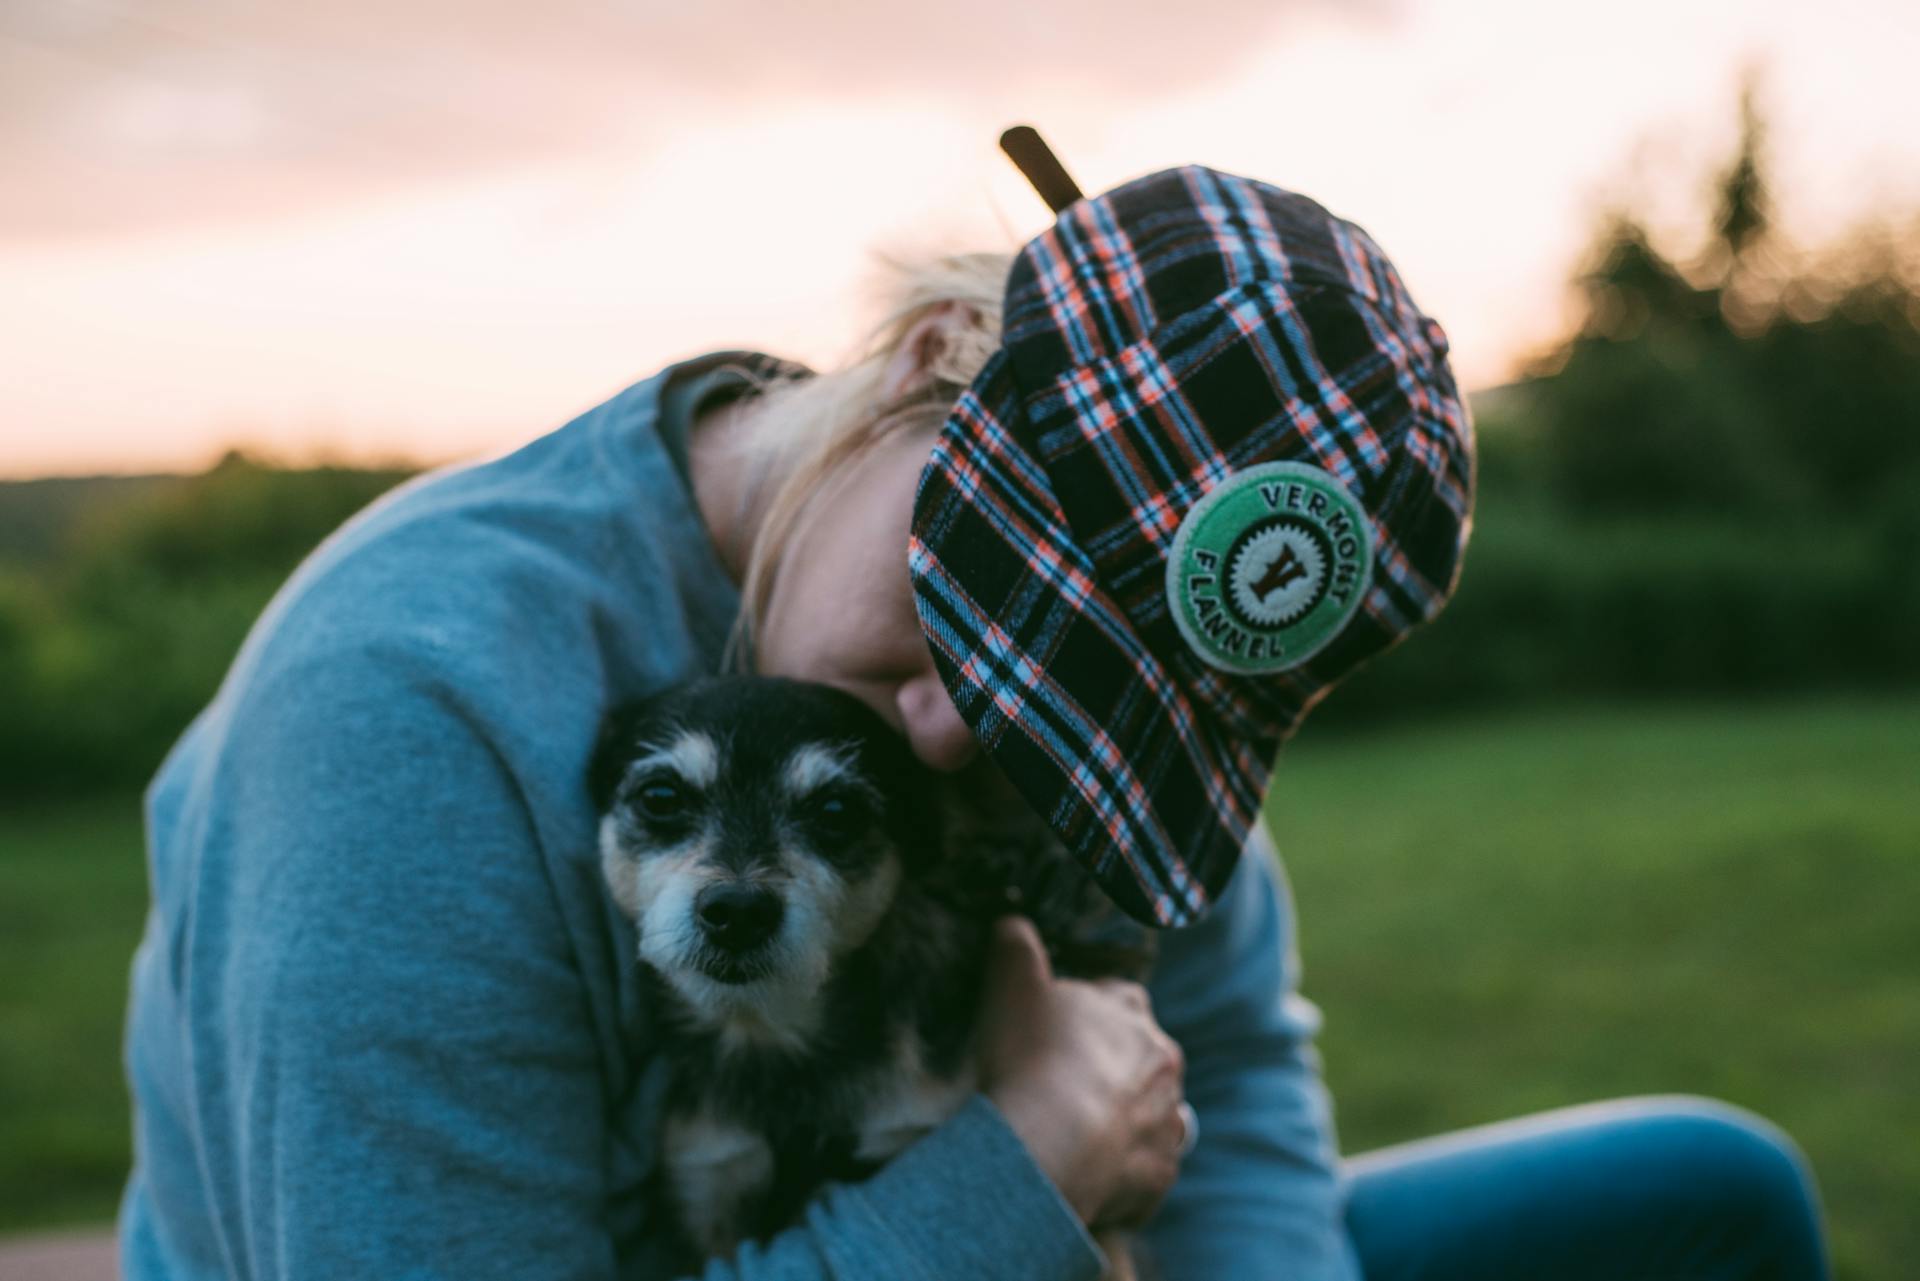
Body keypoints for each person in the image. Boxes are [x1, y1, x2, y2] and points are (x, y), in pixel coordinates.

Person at [119, 161, 1832, 1280]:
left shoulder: (1107, 722)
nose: (956, 732)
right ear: (940, 350)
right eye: (984, 611)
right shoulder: (416, 701)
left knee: (1710, 1198)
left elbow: (1230, 1073)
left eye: (1080, 701)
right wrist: (1024, 1171)